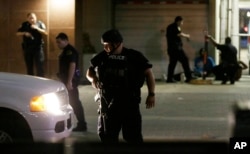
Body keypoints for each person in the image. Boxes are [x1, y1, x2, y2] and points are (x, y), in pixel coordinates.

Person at [86, 29, 155, 144]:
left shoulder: (134, 56)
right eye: (104, 46)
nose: (105, 48)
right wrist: (93, 79)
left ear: (117, 44)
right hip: (107, 105)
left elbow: (149, 73)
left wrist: (151, 94)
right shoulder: (103, 56)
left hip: (129, 104)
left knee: (133, 138)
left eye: (107, 45)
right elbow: (89, 71)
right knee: (108, 138)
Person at [56, 32, 87, 132]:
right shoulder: (65, 50)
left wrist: (69, 81)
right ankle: (76, 123)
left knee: (75, 102)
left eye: (59, 42)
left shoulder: (70, 51)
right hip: (66, 80)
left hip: (71, 81)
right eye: (57, 42)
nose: (58, 44)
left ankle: (82, 124)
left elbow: (72, 66)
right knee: (70, 102)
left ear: (66, 41)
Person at [16, 12, 47, 77]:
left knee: (40, 66)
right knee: (29, 67)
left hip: (38, 48)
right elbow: (17, 33)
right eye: (30, 18)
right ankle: (31, 82)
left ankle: (41, 82)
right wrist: (24, 33)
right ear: (27, 19)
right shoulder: (24, 24)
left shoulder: (40, 24)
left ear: (36, 17)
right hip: (28, 48)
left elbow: (46, 33)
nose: (32, 20)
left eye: (33, 18)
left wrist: (37, 28)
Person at [166, 16, 193, 83]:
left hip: (172, 49)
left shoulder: (174, 27)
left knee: (172, 63)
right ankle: (189, 77)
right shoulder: (173, 27)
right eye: (182, 22)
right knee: (185, 60)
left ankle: (169, 78)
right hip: (176, 49)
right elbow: (179, 34)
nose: (182, 23)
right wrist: (187, 36)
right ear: (178, 21)